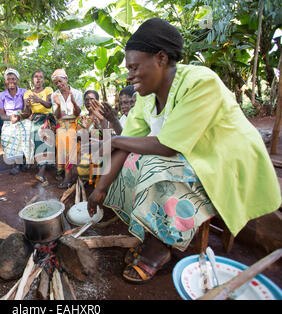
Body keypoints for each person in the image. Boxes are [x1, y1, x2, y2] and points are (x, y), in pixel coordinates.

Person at [87, 17, 280, 284]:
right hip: (189, 158)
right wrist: (100, 188)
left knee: (155, 167)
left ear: (161, 58)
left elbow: (166, 147)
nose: (129, 76)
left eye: (134, 67)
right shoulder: (145, 98)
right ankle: (154, 234)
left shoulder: (200, 83)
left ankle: (159, 249)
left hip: (225, 162)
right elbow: (129, 141)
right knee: (132, 162)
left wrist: (115, 142)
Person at [51, 68, 84, 188]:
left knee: (70, 138)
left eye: (60, 81)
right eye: (56, 83)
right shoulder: (55, 95)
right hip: (61, 124)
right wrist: (59, 105)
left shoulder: (77, 93)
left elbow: (77, 114)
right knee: (61, 136)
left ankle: (69, 176)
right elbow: (58, 115)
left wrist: (74, 102)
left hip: (74, 123)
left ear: (66, 79)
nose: (59, 85)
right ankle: (66, 173)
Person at [0, 68, 33, 175]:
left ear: (17, 80)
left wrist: (20, 116)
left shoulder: (24, 92)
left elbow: (28, 111)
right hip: (9, 120)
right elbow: (2, 115)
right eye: (8, 79)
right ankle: (17, 163)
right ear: (5, 81)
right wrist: (10, 118)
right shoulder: (2, 95)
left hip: (22, 117)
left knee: (26, 131)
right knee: (8, 135)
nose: (11, 81)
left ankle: (25, 160)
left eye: (13, 79)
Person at [24, 70, 55, 185]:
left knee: (47, 140)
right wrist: (27, 105)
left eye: (41, 77)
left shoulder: (48, 90)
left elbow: (49, 105)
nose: (38, 79)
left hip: (48, 118)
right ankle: (41, 171)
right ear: (33, 79)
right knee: (39, 140)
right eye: (36, 77)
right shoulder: (27, 93)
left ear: (43, 80)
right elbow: (26, 112)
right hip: (36, 119)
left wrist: (38, 100)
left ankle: (42, 171)